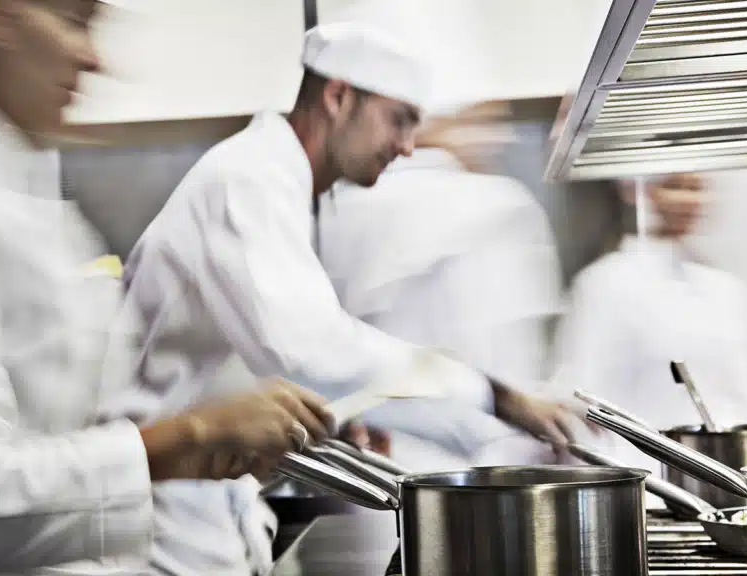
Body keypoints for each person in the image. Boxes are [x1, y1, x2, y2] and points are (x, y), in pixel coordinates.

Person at [0, 1, 332, 575]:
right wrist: (189, 437)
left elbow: (84, 439)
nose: (92, 57)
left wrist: (209, 446)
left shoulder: (32, 205)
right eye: (72, 19)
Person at [117, 22, 588, 575]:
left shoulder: (285, 186)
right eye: (399, 119)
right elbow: (309, 347)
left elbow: (259, 355)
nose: (409, 145)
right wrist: (498, 398)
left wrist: (338, 416)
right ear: (339, 98)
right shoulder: (246, 178)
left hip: (207, 510)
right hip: (160, 519)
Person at [317, 100, 576, 470]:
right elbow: (504, 362)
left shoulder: (344, 207)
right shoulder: (491, 205)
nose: (496, 139)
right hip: (475, 465)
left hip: (382, 462)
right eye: (481, 122)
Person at [552, 173, 747, 488]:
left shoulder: (728, 290)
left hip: (731, 484)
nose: (688, 201)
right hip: (645, 486)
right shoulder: (605, 285)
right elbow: (585, 402)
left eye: (696, 188)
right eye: (673, 186)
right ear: (634, 191)